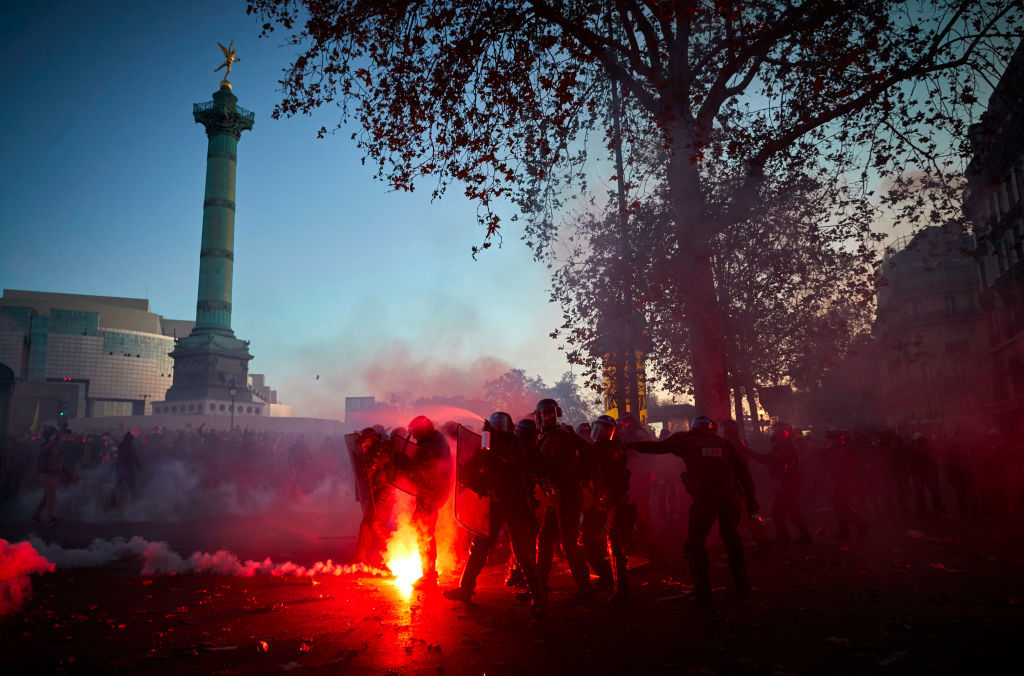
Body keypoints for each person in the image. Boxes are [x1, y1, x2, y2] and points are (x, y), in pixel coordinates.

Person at [630, 416, 757, 604]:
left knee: (695, 543)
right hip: (729, 498)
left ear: (695, 428)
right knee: (731, 539)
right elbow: (743, 472)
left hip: (706, 498)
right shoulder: (723, 443)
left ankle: (702, 589)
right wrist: (751, 498)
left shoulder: (686, 439)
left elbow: (657, 448)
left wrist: (631, 445)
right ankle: (742, 585)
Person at [444, 412, 545, 607]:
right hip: (498, 503)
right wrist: (475, 482)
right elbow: (473, 469)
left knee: (520, 550)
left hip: (515, 503)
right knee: (480, 545)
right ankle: (465, 588)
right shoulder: (490, 447)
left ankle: (538, 595)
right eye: (495, 425)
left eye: (500, 424)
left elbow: (523, 473)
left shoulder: (514, 447)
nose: (498, 428)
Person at [534, 398, 594, 604]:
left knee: (568, 544)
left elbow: (541, 465)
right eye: (543, 414)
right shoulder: (552, 435)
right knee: (544, 542)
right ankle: (539, 587)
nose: (546, 417)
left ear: (556, 414)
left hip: (565, 495)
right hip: (557, 496)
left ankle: (585, 591)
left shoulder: (556, 436)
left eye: (550, 413)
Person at [394, 415, 452, 589]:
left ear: (422, 430)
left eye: (415, 433)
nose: (415, 438)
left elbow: (424, 469)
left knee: (424, 531)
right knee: (424, 530)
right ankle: (428, 574)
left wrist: (405, 464)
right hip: (431, 492)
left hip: (431, 493)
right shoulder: (435, 441)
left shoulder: (430, 446)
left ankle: (428, 577)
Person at [580, 414, 632, 603]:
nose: (599, 434)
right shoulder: (594, 448)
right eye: (597, 429)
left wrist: (577, 440)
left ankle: (622, 590)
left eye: (603, 431)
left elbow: (600, 458)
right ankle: (605, 576)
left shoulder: (616, 447)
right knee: (585, 536)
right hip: (600, 502)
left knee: (615, 545)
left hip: (616, 502)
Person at [751, 422, 812, 546]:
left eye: (776, 431)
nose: (774, 434)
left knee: (777, 512)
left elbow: (767, 460)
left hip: (790, 481)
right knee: (793, 510)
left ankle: (784, 540)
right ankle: (805, 537)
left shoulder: (786, 446)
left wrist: (746, 451)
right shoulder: (786, 444)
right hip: (791, 480)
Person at [720, 419, 772, 554]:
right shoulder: (736, 444)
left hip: (738, 487)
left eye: (723, 429)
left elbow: (739, 468)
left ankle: (763, 543)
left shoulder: (734, 445)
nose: (721, 432)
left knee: (750, 517)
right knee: (743, 516)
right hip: (738, 486)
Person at [352, 427, 397, 569]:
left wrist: (362, 460)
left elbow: (368, 473)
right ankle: (360, 559)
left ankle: (397, 552)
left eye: (365, 441)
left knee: (376, 522)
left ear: (373, 439)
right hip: (377, 492)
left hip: (386, 492)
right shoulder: (373, 452)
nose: (363, 444)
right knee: (366, 524)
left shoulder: (380, 453)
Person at [32, 429, 68, 525]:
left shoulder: (56, 447)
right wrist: (58, 436)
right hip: (47, 474)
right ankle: (52, 517)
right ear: (49, 436)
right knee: (51, 495)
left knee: (47, 496)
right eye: (54, 435)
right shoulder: (46, 446)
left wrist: (68, 474)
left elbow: (60, 462)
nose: (56, 436)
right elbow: (47, 449)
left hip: (53, 474)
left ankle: (36, 514)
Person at [115, 431, 141, 505]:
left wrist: (138, 466)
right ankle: (116, 499)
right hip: (124, 468)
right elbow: (120, 457)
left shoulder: (131, 446)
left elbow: (135, 457)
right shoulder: (123, 446)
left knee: (131, 486)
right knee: (119, 485)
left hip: (129, 469)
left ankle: (133, 500)